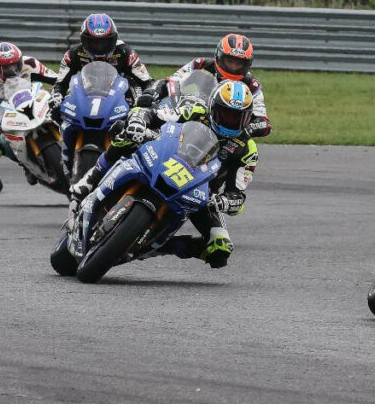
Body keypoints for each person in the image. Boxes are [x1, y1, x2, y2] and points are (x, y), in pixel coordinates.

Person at [73, 80, 260, 269]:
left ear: (247, 118)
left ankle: (161, 248)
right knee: (124, 136)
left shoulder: (247, 150)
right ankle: (91, 179)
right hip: (162, 157)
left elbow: (237, 195)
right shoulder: (194, 111)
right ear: (213, 107)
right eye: (226, 113)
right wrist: (139, 122)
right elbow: (153, 113)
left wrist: (224, 202)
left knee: (220, 249)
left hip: (199, 191)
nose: (230, 121)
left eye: (237, 117)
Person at [154, 33, 271, 138]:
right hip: (192, 121)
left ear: (247, 64)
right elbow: (171, 82)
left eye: (239, 63)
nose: (234, 67)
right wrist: (154, 94)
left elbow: (264, 122)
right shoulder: (200, 64)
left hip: (226, 135)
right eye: (230, 61)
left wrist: (247, 130)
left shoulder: (252, 85)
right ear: (219, 56)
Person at [0, 42, 58, 181]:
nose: (11, 69)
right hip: (8, 112)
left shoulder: (30, 64)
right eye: (5, 67)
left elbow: (57, 80)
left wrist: (61, 92)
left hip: (37, 102)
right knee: (1, 143)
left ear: (20, 61)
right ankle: (26, 164)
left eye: (14, 64)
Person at [48, 13, 153, 117]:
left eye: (105, 42)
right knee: (54, 109)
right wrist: (57, 94)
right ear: (84, 40)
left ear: (114, 39)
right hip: (86, 95)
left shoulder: (126, 52)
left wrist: (147, 95)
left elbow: (147, 81)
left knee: (143, 104)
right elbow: (60, 83)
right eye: (94, 42)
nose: (100, 47)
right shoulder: (73, 54)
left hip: (121, 98)